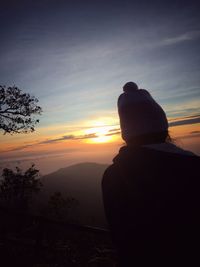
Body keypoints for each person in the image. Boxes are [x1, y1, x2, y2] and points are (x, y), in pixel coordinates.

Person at [102, 82, 200, 267]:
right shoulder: (194, 167)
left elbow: (119, 237)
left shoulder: (114, 176)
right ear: (163, 126)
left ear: (127, 133)